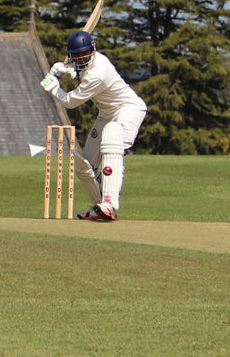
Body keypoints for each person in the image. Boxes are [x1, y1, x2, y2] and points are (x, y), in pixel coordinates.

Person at [38, 31, 148, 221]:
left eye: (85, 53)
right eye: (77, 55)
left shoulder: (99, 72)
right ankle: (102, 210)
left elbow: (70, 101)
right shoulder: (84, 64)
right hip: (107, 113)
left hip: (128, 109)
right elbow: (78, 70)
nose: (81, 58)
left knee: (112, 136)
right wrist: (63, 69)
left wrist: (54, 88)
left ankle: (110, 203)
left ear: (93, 48)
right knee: (84, 165)